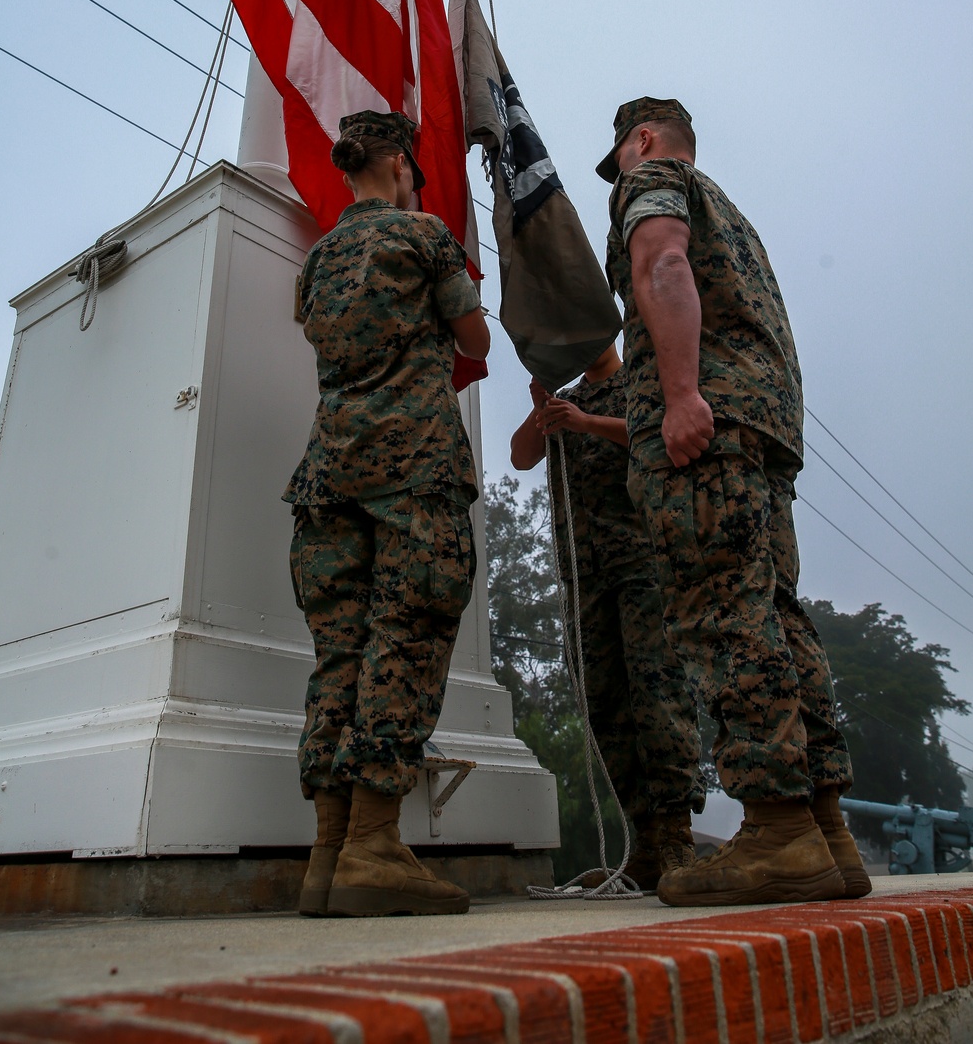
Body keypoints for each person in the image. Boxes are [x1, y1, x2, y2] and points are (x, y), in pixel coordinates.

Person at [598, 96, 869, 907]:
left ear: (642, 140)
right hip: (760, 426)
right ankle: (826, 829)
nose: (617, 171)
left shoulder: (654, 182)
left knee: (725, 612)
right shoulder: (732, 212)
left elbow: (661, 264)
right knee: (779, 616)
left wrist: (680, 393)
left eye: (618, 155)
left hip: (707, 423)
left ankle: (779, 830)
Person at [284, 109, 490, 918]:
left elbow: (322, 335)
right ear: (402, 164)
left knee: (340, 655)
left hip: (329, 475)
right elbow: (472, 336)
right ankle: (374, 847)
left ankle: (328, 857)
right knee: (403, 642)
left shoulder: (321, 255)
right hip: (412, 468)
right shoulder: (424, 235)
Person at [510, 342, 704, 889]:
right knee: (605, 705)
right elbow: (522, 455)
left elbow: (654, 435)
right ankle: (643, 841)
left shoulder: (645, 386)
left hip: (641, 567)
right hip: (585, 578)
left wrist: (584, 421)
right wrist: (542, 408)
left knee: (657, 697)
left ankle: (675, 837)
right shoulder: (566, 401)